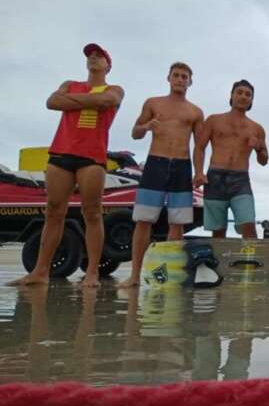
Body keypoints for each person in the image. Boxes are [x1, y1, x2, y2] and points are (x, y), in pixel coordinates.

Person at [8, 43, 124, 288]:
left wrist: (71, 101)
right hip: (62, 152)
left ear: (108, 65)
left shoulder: (115, 88)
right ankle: (40, 271)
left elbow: (107, 100)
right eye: (90, 56)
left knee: (92, 212)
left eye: (99, 56)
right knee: (53, 210)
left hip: (92, 157)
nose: (93, 58)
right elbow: (52, 102)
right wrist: (88, 100)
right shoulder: (70, 83)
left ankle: (92, 273)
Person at [118, 62, 204, 288]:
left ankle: (169, 275)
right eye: (176, 75)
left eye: (184, 76)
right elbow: (135, 133)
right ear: (168, 78)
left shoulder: (195, 112)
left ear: (190, 82)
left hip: (182, 166)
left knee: (178, 222)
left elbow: (199, 146)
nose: (180, 79)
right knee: (144, 219)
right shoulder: (153, 103)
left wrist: (199, 171)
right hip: (156, 163)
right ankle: (135, 275)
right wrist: (146, 126)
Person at [194, 79, 268, 238]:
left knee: (248, 224)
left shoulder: (257, 128)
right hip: (215, 177)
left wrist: (258, 148)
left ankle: (250, 261)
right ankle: (221, 262)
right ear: (232, 96)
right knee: (218, 230)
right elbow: (200, 147)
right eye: (239, 92)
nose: (243, 96)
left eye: (248, 94)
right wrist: (199, 172)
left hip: (240, 179)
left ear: (251, 100)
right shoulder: (214, 120)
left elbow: (264, 160)